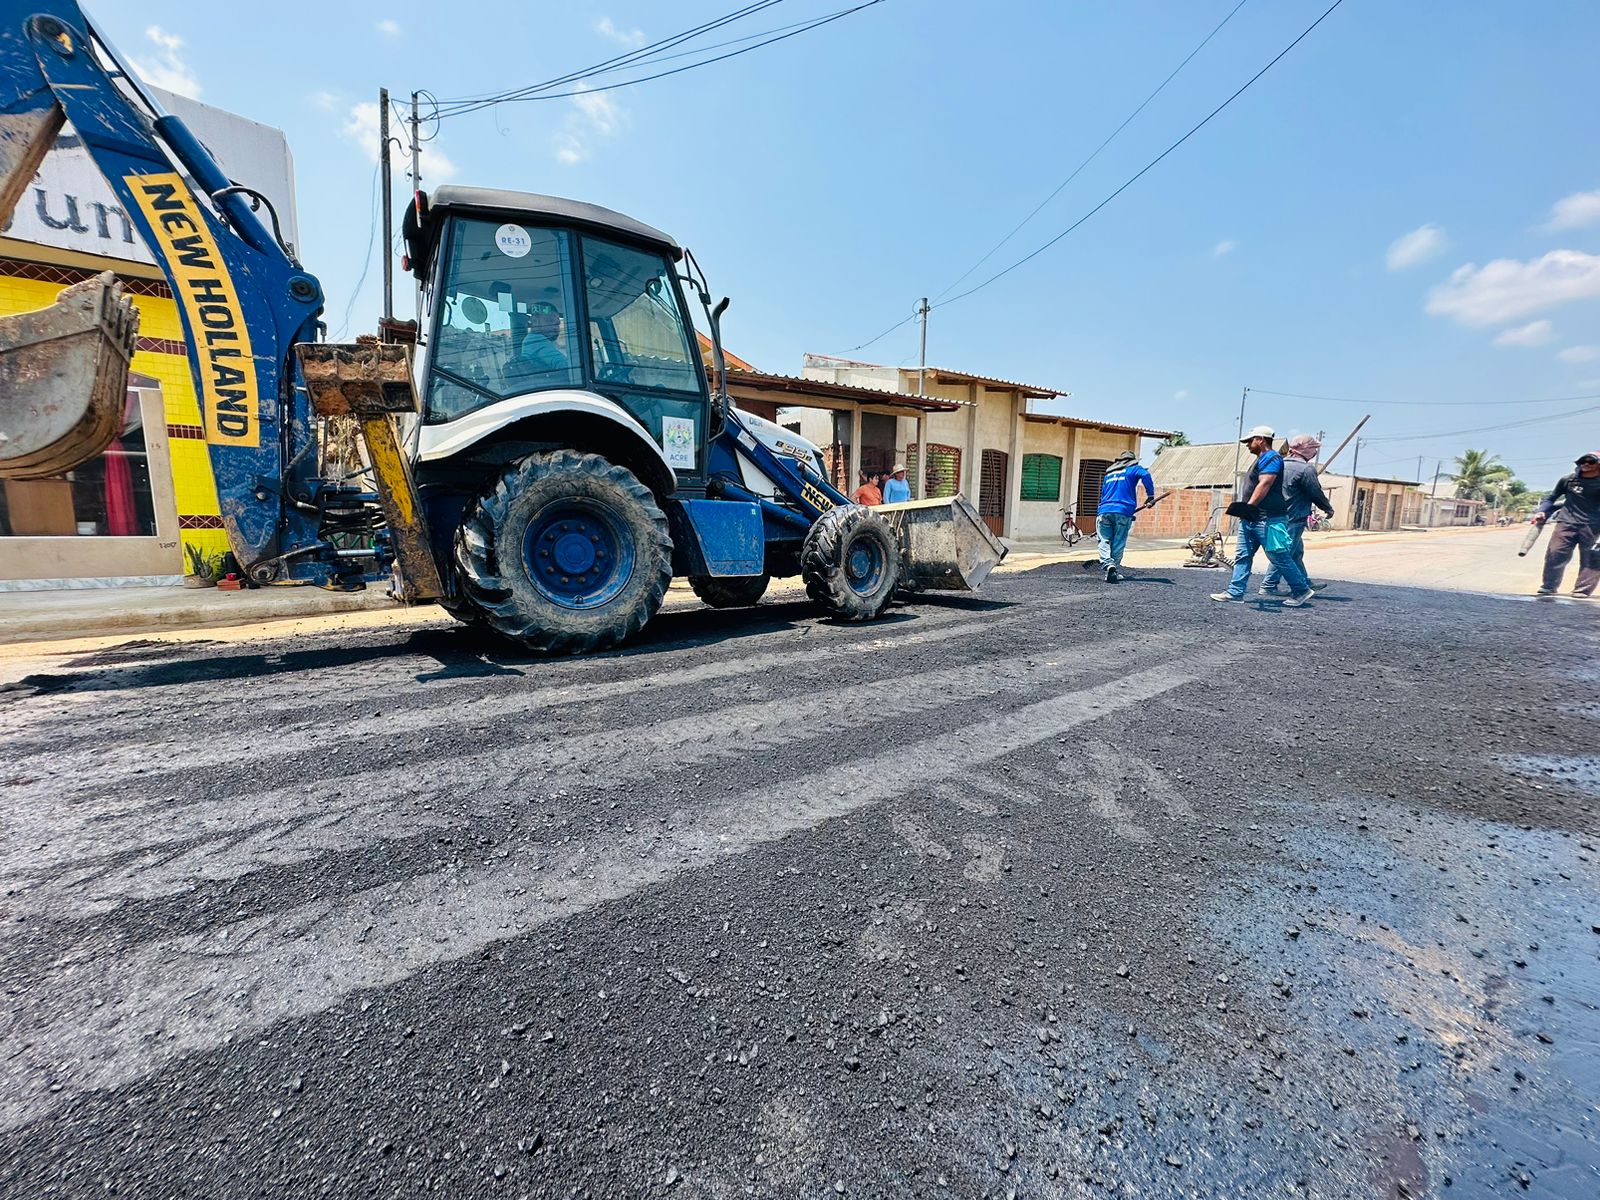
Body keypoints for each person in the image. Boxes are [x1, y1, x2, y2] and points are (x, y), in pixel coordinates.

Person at [1210, 425, 1315, 607]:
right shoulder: (1261, 459)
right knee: (1243, 555)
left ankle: (1301, 590)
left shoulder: (1272, 458)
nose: (1247, 445)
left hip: (1269, 519)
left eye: (1250, 441)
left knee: (1277, 556)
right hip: (1252, 518)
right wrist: (1248, 513)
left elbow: (1265, 483)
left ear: (1261, 440)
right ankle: (1235, 592)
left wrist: (1249, 507)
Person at [1261, 434, 1335, 596]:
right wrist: (1328, 508)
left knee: (1295, 551)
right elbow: (1315, 492)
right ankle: (1269, 585)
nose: (1315, 452)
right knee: (1284, 552)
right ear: (1307, 450)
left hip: (1275, 516)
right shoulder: (1306, 469)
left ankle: (1304, 582)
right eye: (1314, 449)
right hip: (1293, 518)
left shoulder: (1278, 465)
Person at [1533, 451, 1600, 598]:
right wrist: (1542, 511)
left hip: (1593, 525)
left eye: (1591, 462)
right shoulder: (1568, 480)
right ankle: (1549, 586)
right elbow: (1551, 498)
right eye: (1583, 461)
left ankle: (1582, 590)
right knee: (1555, 553)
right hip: (1566, 522)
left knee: (1592, 557)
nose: (1586, 464)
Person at [1094, 450, 1155, 582]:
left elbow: (1103, 493)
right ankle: (1114, 568)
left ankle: (1108, 564)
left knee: (1103, 540)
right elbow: (1146, 475)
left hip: (1104, 510)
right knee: (1118, 541)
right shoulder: (1134, 469)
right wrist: (1150, 496)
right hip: (1123, 510)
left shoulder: (1108, 474)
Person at [506, 301, 569, 384]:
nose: (555, 327)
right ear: (535, 321)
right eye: (549, 321)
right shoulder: (536, 340)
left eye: (557, 323)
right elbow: (563, 365)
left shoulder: (536, 340)